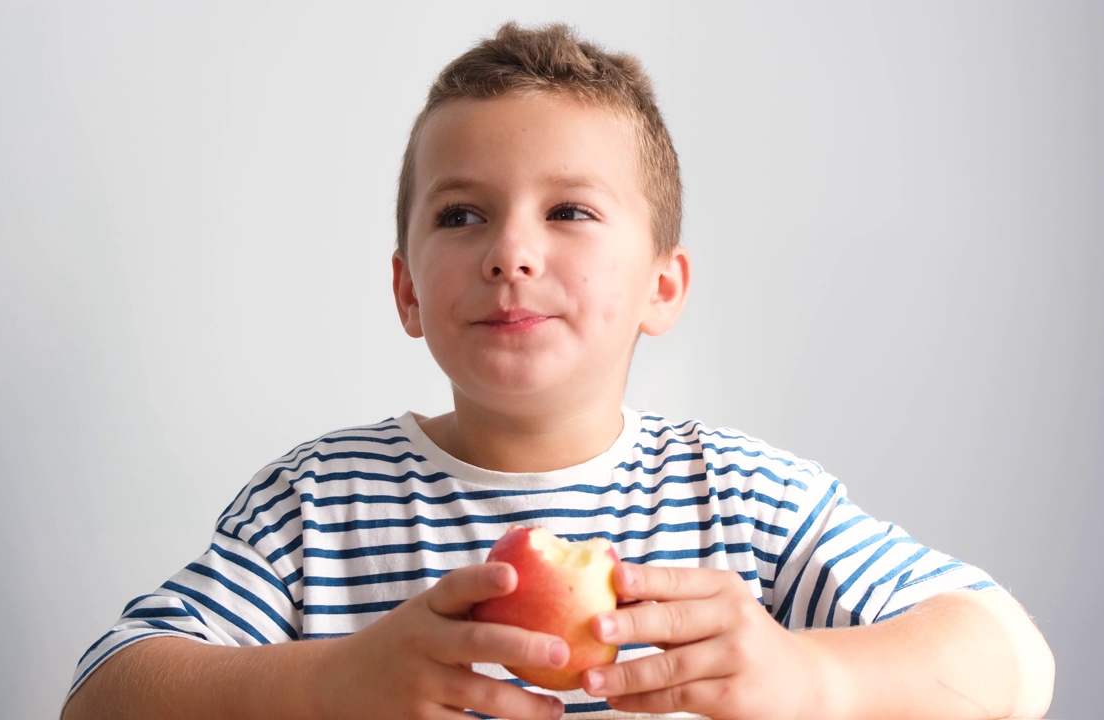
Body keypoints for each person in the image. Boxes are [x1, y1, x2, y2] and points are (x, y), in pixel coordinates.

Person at [63, 22, 1054, 720]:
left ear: (661, 288)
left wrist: (804, 679)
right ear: (407, 291)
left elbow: (1012, 661)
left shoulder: (747, 505)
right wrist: (327, 687)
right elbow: (105, 692)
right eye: (461, 214)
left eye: (569, 211)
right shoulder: (316, 506)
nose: (510, 253)